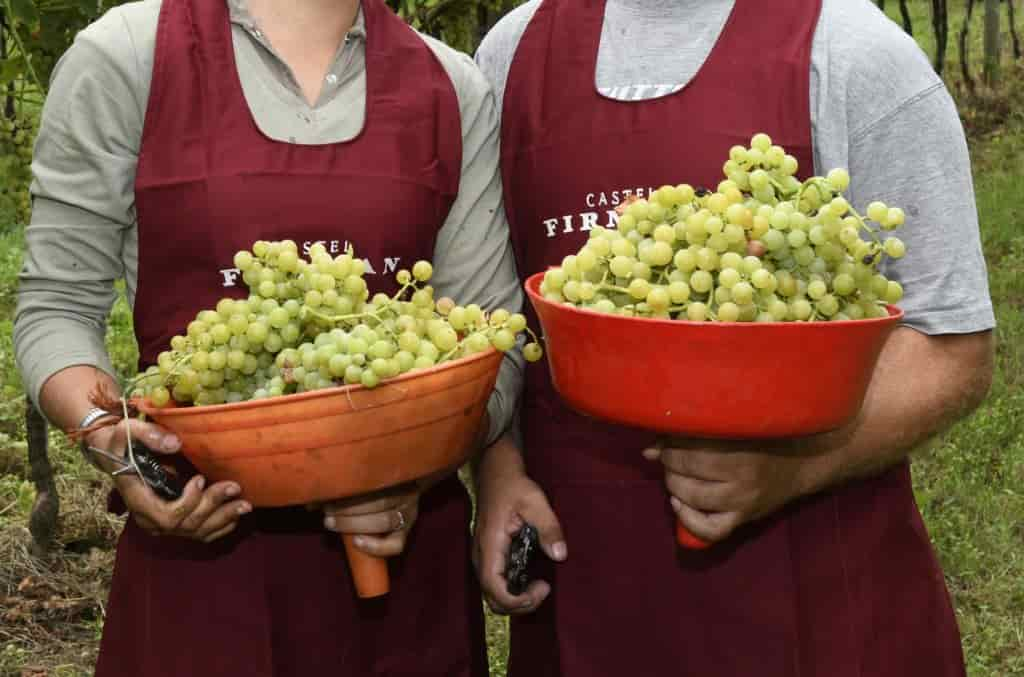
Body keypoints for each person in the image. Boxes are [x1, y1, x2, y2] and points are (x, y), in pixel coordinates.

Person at [471, 0, 996, 675]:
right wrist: (500, 467)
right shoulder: (511, 55)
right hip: (590, 605)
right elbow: (500, 315)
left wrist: (797, 467)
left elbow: (953, 347)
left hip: (814, 612)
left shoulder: (856, 51)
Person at [14, 0, 523, 674]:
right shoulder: (130, 57)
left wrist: (414, 469)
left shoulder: (450, 86)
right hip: (201, 570)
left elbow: (494, 342)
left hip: (402, 589)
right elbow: (55, 306)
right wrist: (107, 434)